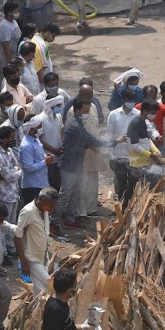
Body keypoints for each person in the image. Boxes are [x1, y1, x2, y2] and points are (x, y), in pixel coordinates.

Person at [53, 99, 109, 234]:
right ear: (77, 110)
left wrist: (88, 146)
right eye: (85, 111)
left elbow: (79, 142)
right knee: (65, 195)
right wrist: (113, 142)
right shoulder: (75, 125)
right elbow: (90, 139)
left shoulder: (77, 121)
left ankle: (70, 219)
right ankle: (53, 222)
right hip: (69, 165)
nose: (87, 114)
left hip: (77, 164)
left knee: (76, 193)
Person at [15, 188, 59, 295]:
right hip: (31, 257)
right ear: (43, 200)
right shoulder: (28, 211)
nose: (53, 208)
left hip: (42, 255)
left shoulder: (44, 210)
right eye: (51, 205)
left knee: (39, 290)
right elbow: (17, 236)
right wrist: (24, 262)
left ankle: (35, 309)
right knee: (50, 286)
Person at [0, 126, 21, 261]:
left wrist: (16, 171)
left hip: (13, 193)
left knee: (12, 223)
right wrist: (18, 171)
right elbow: (10, 176)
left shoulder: (9, 152)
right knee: (3, 225)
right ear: (4, 139)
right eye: (11, 138)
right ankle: (3, 253)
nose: (13, 141)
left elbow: (17, 165)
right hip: (4, 195)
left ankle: (10, 247)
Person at [127, 100, 164, 192]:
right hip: (138, 164)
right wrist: (151, 155)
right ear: (144, 111)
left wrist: (155, 150)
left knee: (155, 186)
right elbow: (134, 146)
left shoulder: (144, 121)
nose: (154, 115)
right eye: (152, 113)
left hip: (146, 162)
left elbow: (147, 140)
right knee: (142, 190)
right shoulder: (135, 123)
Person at [19, 116, 53, 203]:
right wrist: (45, 162)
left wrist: (46, 157)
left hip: (41, 183)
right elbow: (29, 167)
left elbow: (38, 157)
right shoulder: (27, 145)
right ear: (31, 129)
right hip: (32, 187)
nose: (41, 129)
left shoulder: (36, 139)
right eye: (39, 127)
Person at [39, 96, 64, 191]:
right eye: (58, 105)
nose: (60, 108)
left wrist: (62, 146)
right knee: (49, 184)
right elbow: (41, 140)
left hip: (58, 156)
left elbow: (61, 131)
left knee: (57, 183)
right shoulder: (41, 119)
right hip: (48, 157)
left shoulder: (58, 116)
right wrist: (54, 151)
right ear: (51, 105)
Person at [0, 2, 22, 67]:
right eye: (15, 11)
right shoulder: (5, 27)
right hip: (10, 61)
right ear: (10, 13)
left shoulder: (14, 22)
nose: (17, 13)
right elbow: (6, 47)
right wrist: (12, 63)